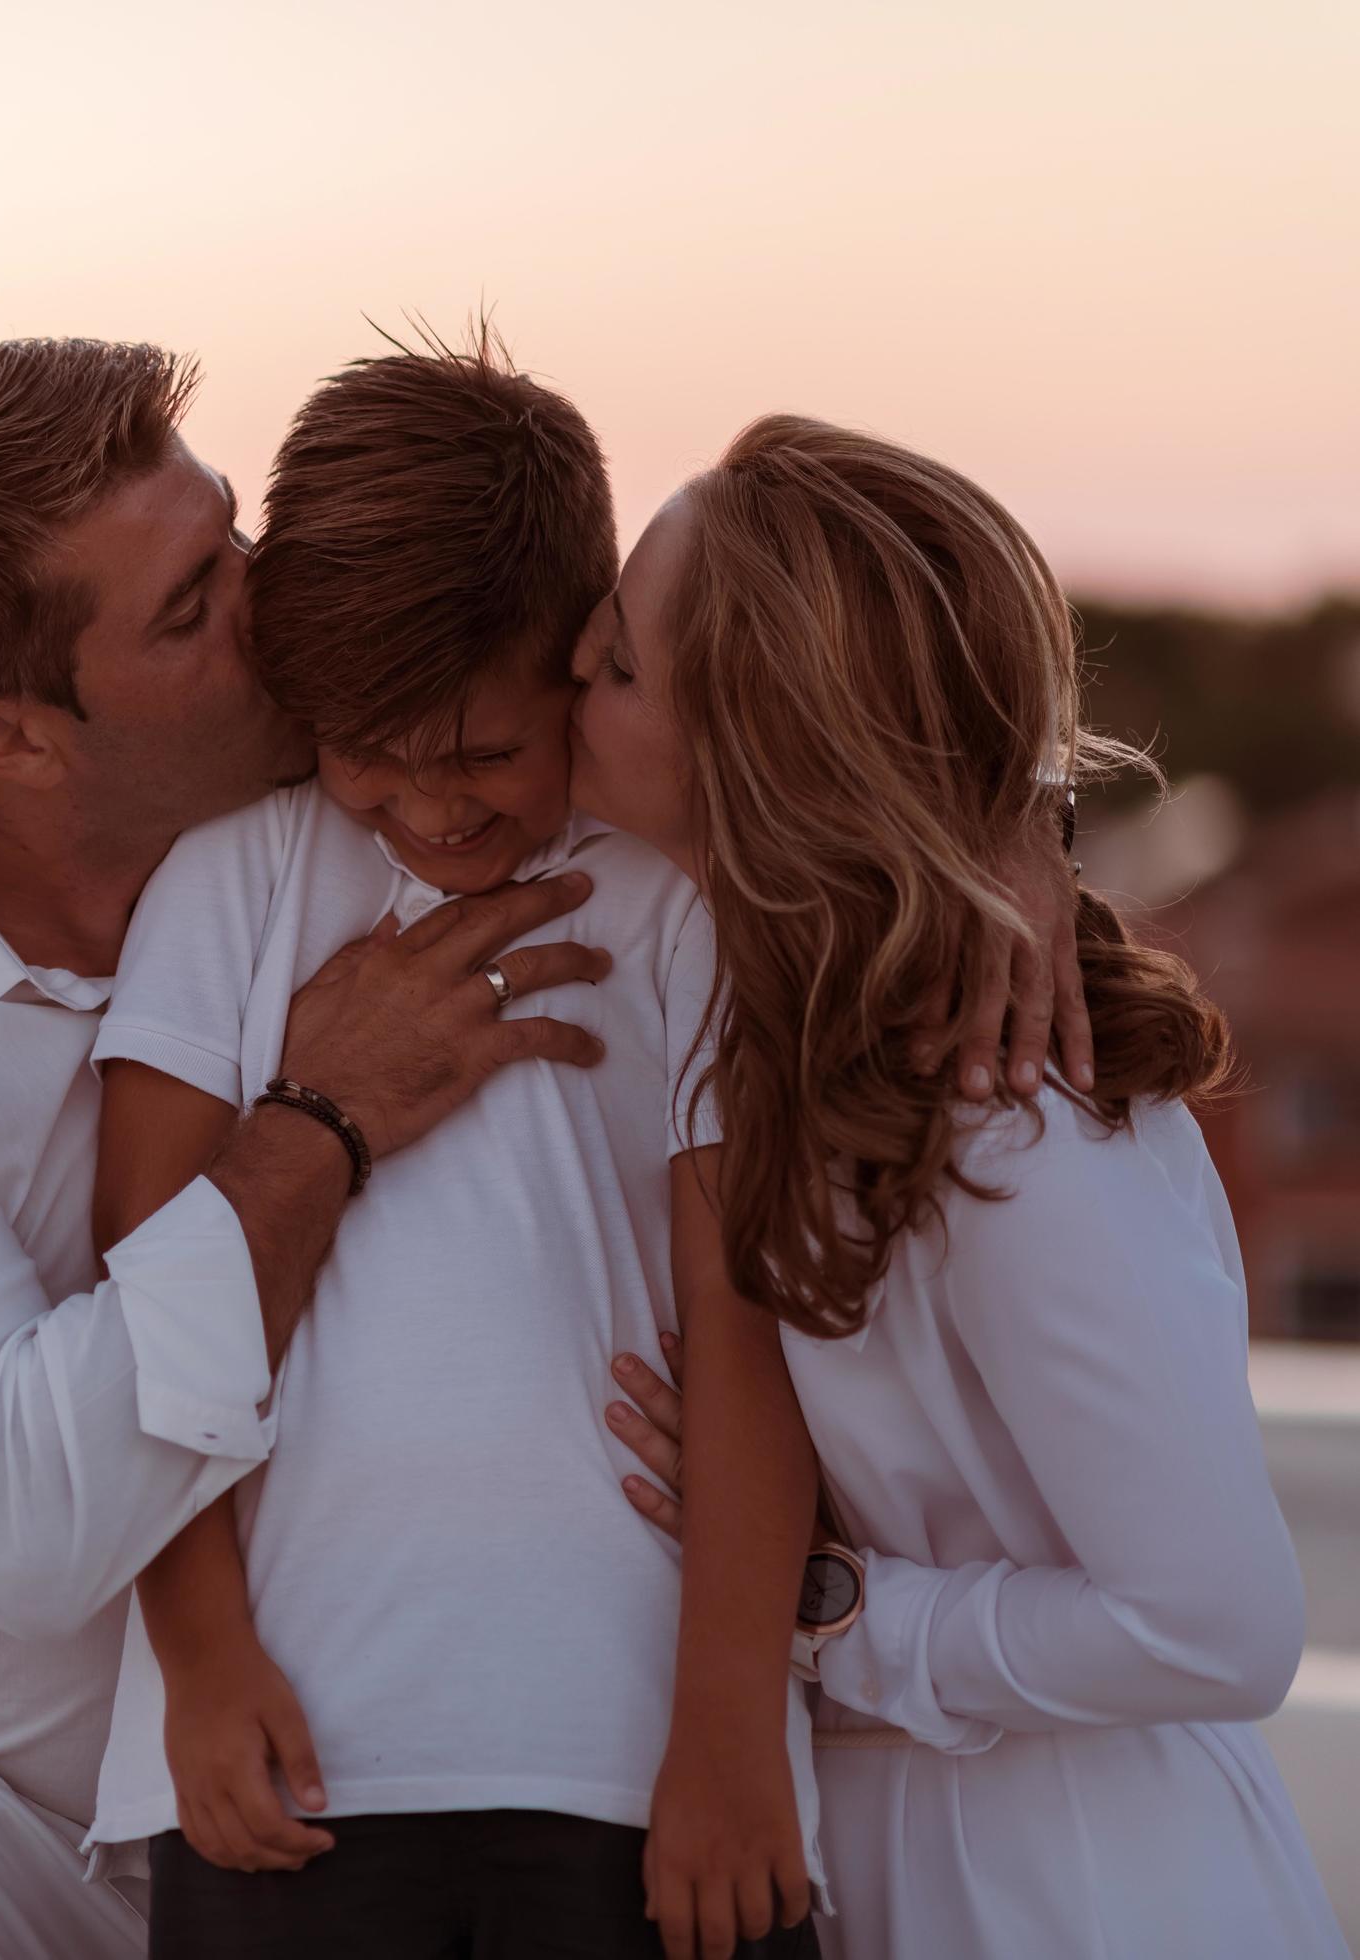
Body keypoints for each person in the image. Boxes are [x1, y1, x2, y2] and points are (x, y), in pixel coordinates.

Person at [0, 338, 615, 1958]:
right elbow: (26, 1525)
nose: (265, 596)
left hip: (347, 1758)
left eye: (230, 537)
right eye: (191, 604)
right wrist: (319, 1124)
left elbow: (712, 677)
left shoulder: (372, 768)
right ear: (14, 739)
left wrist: (1024, 866)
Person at [78, 330, 843, 1960]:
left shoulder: (679, 897)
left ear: (582, 654)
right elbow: (144, 1282)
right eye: (373, 756)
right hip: (289, 1754)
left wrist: (732, 1739)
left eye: (486, 753)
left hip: (633, 1753)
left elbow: (743, 1317)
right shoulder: (239, 879)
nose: (432, 812)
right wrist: (201, 1669)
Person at [577, 415, 1344, 1958]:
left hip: (1072, 1889)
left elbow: (1218, 1623)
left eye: (614, 670)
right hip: (902, 1851)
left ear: (756, 745)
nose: (560, 693)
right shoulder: (762, 1026)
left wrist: (828, 1615)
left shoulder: (1008, 1121)